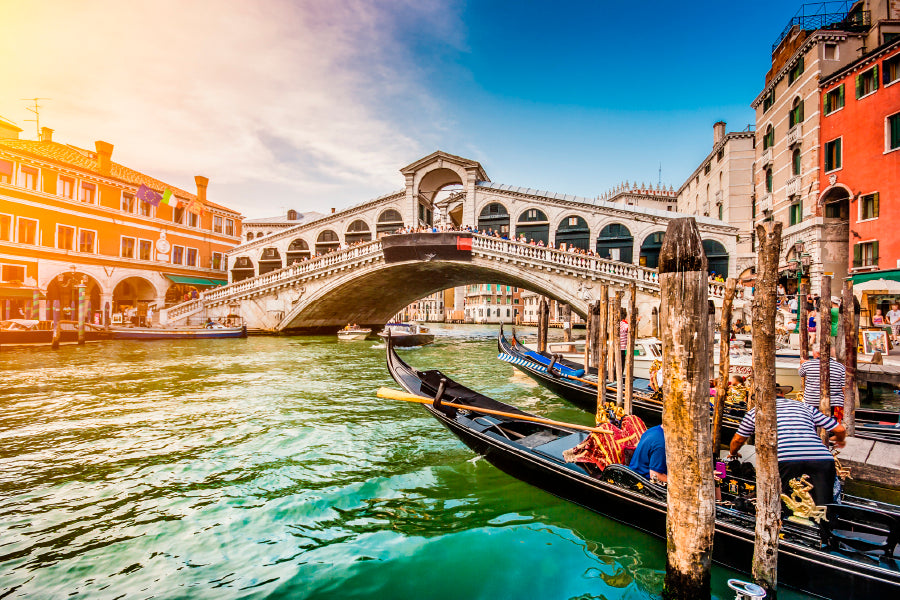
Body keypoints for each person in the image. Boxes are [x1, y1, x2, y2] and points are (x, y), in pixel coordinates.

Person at [728, 391, 845, 506]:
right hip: (822, 458)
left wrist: (733, 453)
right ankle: (828, 523)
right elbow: (840, 429)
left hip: (786, 459)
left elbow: (738, 440)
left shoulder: (756, 412)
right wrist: (839, 439)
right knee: (824, 502)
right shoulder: (805, 407)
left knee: (789, 501)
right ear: (782, 395)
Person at [798, 349, 846, 421]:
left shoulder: (807, 365)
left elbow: (800, 373)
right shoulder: (840, 367)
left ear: (817, 352)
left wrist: (802, 364)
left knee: (813, 421)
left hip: (812, 401)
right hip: (835, 402)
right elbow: (844, 387)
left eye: (813, 351)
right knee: (832, 422)